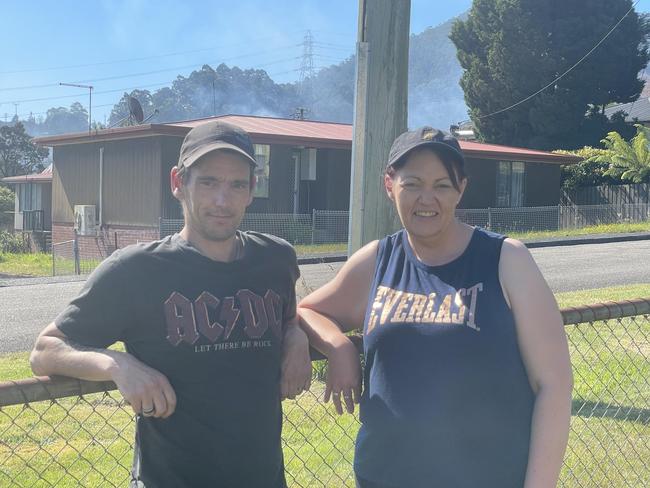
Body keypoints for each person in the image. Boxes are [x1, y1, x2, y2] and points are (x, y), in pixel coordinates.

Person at [30, 120, 312, 488]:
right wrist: (118, 364)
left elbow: (288, 315)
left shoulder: (275, 259)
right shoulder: (135, 270)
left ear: (251, 190)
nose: (222, 200)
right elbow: (45, 350)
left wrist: (296, 335)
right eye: (209, 182)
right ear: (178, 183)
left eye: (236, 184)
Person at [298, 127, 573, 488]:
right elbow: (307, 310)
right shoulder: (378, 260)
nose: (426, 199)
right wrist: (338, 346)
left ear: (461, 189)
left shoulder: (506, 260)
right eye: (412, 184)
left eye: (442, 185)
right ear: (389, 185)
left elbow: (554, 384)